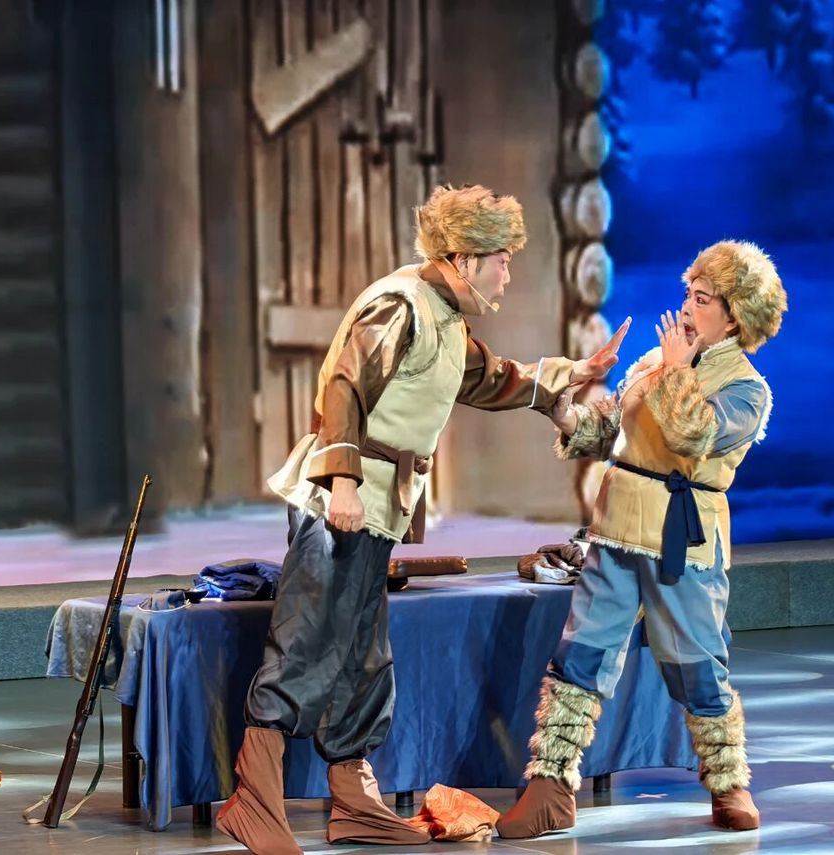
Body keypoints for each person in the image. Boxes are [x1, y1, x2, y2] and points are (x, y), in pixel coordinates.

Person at [216, 184, 630, 854]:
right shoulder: (400, 302)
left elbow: (488, 377)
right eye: (501, 260)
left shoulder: (443, 318)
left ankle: (354, 799)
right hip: (341, 503)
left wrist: (569, 375)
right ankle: (254, 796)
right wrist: (343, 480)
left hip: (377, 507)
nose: (507, 274)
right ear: (465, 257)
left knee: (362, 651)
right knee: (310, 637)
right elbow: (346, 384)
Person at [496, 239, 787, 839]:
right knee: (581, 655)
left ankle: (728, 782)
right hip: (617, 531)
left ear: (735, 316)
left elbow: (690, 436)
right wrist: (562, 407)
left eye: (702, 299)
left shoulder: (747, 389)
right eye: (688, 293)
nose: (687, 307)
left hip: (681, 543)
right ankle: (551, 787)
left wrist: (679, 370)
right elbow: (604, 430)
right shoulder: (655, 363)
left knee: (697, 665)